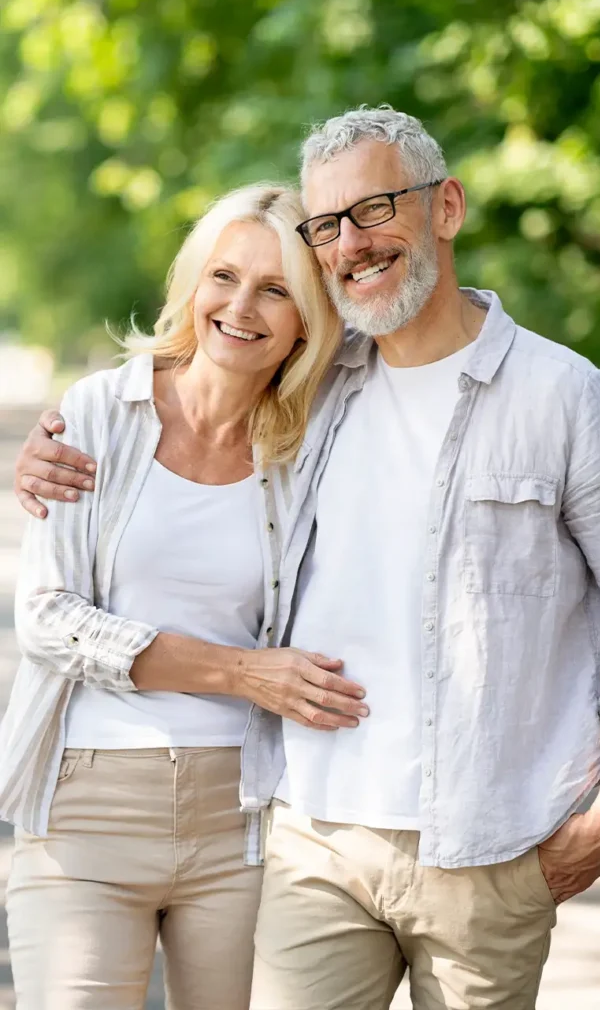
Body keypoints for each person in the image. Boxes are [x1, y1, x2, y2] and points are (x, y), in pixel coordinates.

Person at [14, 107, 600, 1010]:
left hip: (485, 843)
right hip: (308, 835)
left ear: (447, 208)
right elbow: (185, 407)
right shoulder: (313, 393)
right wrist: (51, 448)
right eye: (329, 226)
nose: (352, 242)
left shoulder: (570, 400)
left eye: (378, 207)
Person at [2, 182, 369, 1010]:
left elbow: (418, 334)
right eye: (224, 276)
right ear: (192, 283)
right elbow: (50, 620)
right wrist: (242, 673)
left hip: (244, 822)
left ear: (311, 319)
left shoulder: (313, 439)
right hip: (85, 810)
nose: (242, 306)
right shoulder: (101, 412)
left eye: (278, 289)